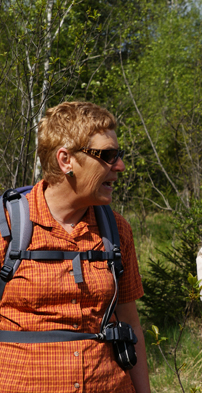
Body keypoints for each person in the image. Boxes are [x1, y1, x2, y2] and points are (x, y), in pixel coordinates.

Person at [0, 102, 150, 392]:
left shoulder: (116, 230)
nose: (119, 166)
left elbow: (130, 323)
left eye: (118, 155)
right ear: (65, 160)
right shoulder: (7, 226)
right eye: (107, 155)